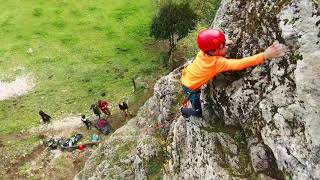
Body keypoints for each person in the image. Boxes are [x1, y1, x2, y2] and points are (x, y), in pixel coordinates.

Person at [180, 28, 285, 118]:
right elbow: (240, 64)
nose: (226, 47)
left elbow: (209, 40)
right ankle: (184, 111)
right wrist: (265, 55)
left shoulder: (203, 52)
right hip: (190, 87)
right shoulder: (217, 63)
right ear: (212, 52)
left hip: (187, 75)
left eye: (224, 44)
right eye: (222, 47)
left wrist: (223, 41)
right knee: (198, 112)